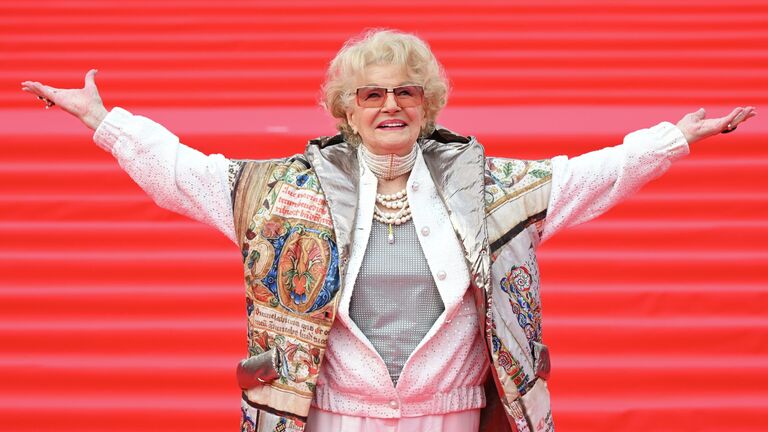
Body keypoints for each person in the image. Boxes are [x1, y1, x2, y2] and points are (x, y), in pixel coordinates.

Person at [21, 30, 755, 432]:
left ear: (429, 105)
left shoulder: (492, 188)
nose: (390, 106)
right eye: (371, 94)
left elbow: (587, 177)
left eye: (407, 92)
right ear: (345, 109)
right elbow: (185, 173)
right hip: (328, 418)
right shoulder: (282, 189)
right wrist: (105, 122)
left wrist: (672, 139)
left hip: (453, 418)